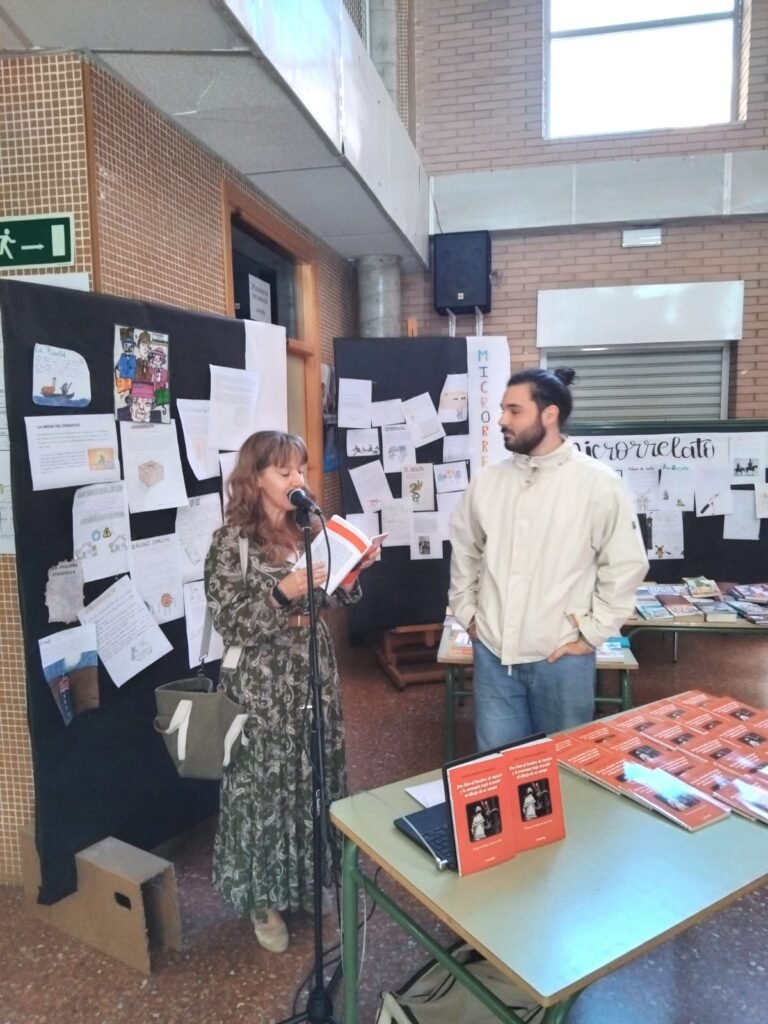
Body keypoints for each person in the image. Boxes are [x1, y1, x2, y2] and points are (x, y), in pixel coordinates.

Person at [204, 430, 376, 954]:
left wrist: (349, 578)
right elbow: (231, 623)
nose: (298, 480)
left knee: (312, 780)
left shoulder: (307, 532)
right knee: (262, 792)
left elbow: (326, 602)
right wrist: (282, 594)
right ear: (254, 479)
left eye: (301, 469)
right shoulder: (229, 541)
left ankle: (304, 882)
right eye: (285, 472)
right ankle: (263, 900)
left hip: (312, 675)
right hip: (260, 687)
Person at [449, 367, 648, 750]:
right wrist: (467, 611)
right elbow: (465, 548)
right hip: (493, 656)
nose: (503, 420)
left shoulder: (597, 484)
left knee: (563, 769)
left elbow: (624, 565)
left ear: (549, 414)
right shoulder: (489, 482)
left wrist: (592, 633)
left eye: (514, 410)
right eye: (502, 410)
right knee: (499, 770)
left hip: (561, 657)